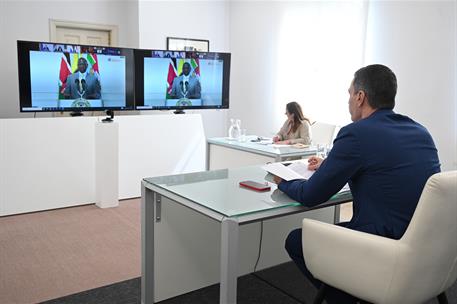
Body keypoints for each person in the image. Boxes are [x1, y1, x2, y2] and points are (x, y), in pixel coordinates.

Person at [273, 64, 441, 303]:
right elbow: (385, 168)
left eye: (349, 94)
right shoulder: (420, 131)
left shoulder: (356, 133)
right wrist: (330, 164)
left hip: (384, 248)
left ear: (360, 97)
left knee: (297, 240)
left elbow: (311, 195)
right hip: (425, 251)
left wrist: (284, 181)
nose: (348, 100)